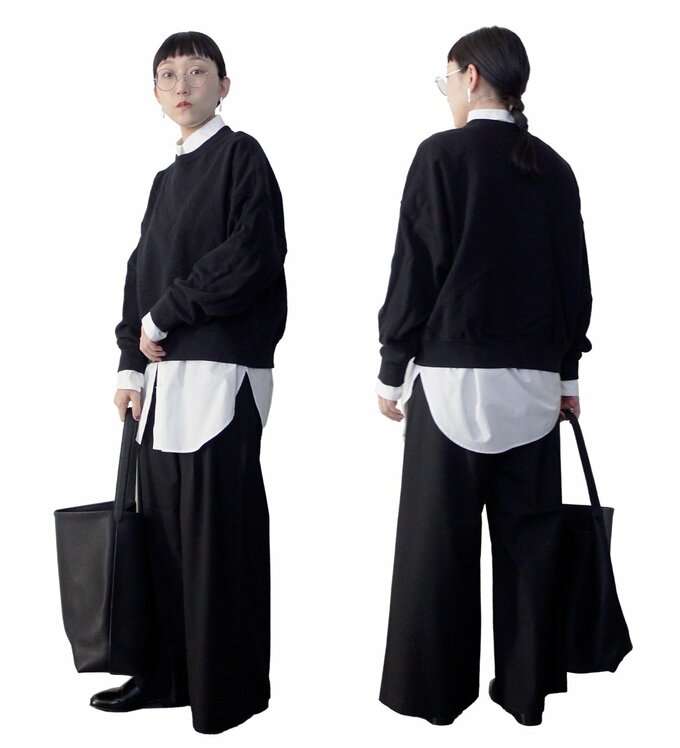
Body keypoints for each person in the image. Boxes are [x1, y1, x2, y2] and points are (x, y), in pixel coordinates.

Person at [376, 26, 592, 727]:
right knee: (531, 546)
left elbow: (416, 267)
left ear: (470, 76)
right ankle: (525, 694)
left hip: (450, 383)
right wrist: (568, 376)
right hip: (534, 389)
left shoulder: (440, 156)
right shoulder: (553, 167)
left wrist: (391, 366)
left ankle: (436, 698)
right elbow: (573, 282)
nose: (448, 92)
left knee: (438, 548)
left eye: (448, 79)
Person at [89, 31, 287, 735]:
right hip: (163, 384)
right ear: (155, 92)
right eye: (169, 74)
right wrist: (129, 361)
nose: (183, 85)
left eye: (198, 72)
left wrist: (166, 313)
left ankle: (225, 692)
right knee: (163, 537)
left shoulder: (241, 156)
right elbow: (139, 274)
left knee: (217, 539)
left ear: (223, 86)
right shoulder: (164, 181)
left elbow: (252, 254)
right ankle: (164, 676)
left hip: (221, 374)